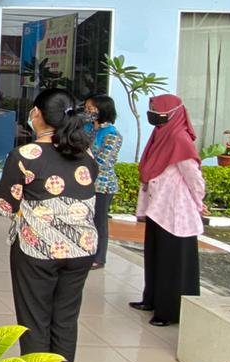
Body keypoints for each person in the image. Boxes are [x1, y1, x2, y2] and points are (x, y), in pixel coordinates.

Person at [0, 89, 98, 362]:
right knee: (65, 318)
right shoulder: (86, 154)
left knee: (35, 317)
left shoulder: (24, 155)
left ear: (37, 113)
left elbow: (5, 207)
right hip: (81, 249)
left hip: (36, 248)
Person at [132, 94, 205, 327]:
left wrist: (199, 201)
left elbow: (193, 176)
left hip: (175, 211)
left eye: (156, 110)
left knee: (172, 263)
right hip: (158, 208)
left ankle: (169, 311)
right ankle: (151, 300)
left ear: (172, 113)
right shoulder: (160, 134)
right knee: (155, 256)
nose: (153, 114)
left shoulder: (179, 138)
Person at [85, 94, 122, 270]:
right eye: (86, 108)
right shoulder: (88, 128)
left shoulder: (112, 134)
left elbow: (103, 161)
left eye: (90, 108)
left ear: (102, 110)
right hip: (85, 181)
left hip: (102, 184)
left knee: (99, 220)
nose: (87, 112)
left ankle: (99, 258)